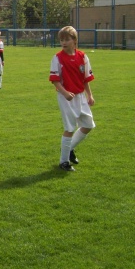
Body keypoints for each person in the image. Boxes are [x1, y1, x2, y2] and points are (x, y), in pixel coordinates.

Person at [49, 26, 96, 172]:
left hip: (80, 96)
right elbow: (55, 80)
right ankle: (63, 162)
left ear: (74, 40)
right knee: (69, 128)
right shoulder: (57, 58)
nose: (64, 42)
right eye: (61, 40)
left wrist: (90, 95)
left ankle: (69, 149)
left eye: (67, 39)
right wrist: (65, 93)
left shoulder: (83, 56)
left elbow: (85, 79)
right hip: (66, 98)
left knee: (88, 125)